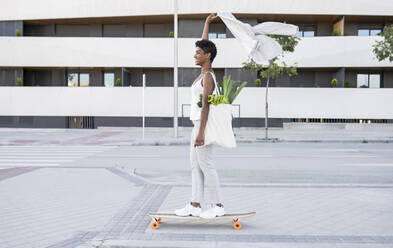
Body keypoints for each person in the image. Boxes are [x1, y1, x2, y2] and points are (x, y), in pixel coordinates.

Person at [174, 13, 225, 219]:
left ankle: (218, 205)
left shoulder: (208, 78)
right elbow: (206, 45)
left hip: (203, 126)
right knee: (195, 166)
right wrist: (206, 23)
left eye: (198, 53)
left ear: (208, 56)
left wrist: (201, 133)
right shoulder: (203, 74)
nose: (195, 55)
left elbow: (206, 107)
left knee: (206, 165)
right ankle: (195, 205)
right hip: (197, 125)